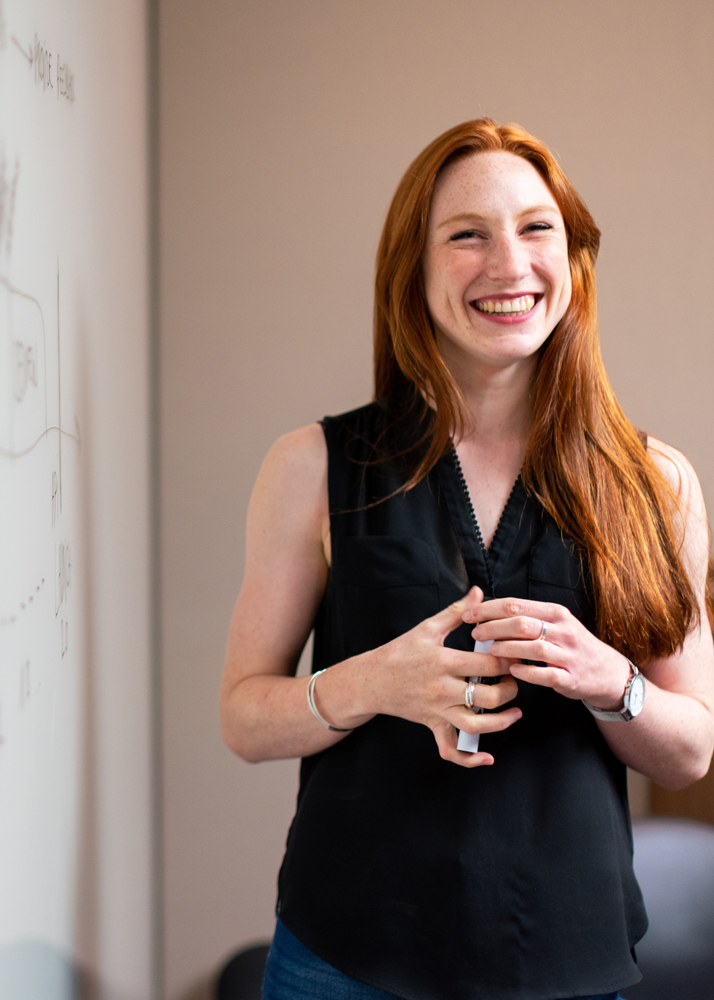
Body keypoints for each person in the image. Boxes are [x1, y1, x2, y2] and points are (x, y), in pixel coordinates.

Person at [220, 119, 714, 1000]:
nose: (508, 263)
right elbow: (244, 717)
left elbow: (690, 751)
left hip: (569, 963)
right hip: (345, 961)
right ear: (414, 267)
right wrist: (373, 683)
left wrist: (611, 680)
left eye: (535, 228)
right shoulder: (311, 466)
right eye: (467, 235)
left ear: (573, 258)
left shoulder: (659, 482)